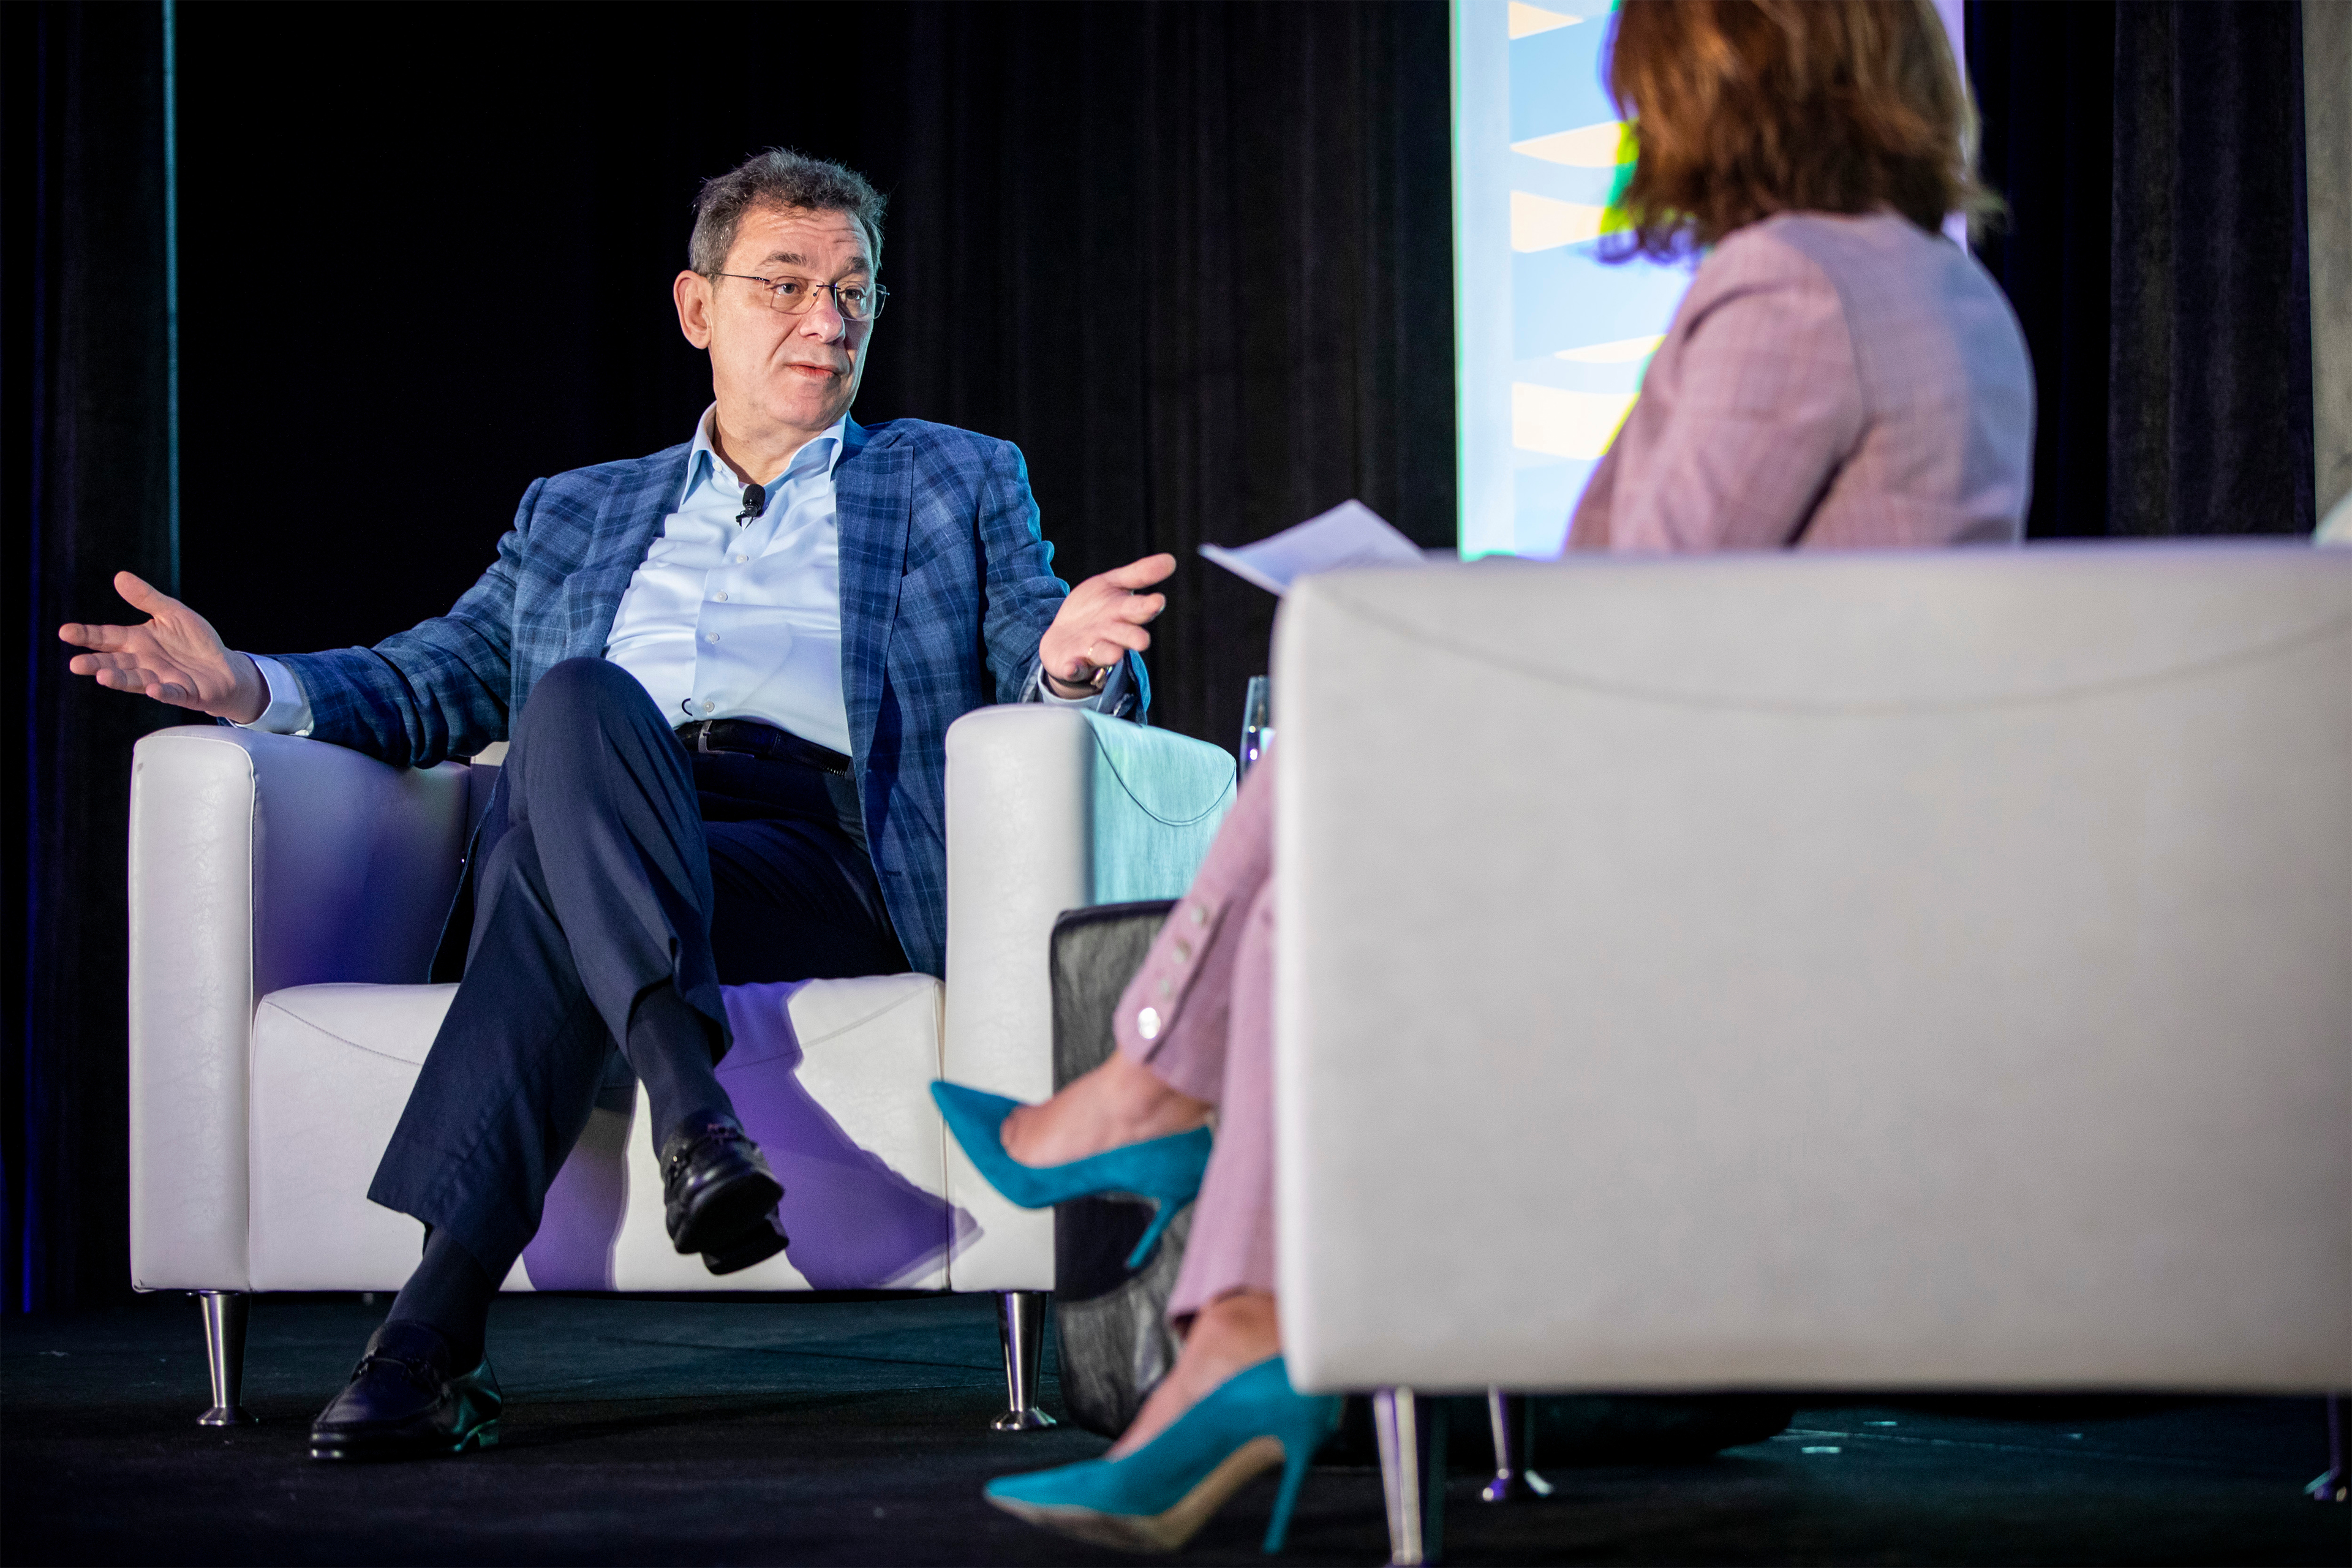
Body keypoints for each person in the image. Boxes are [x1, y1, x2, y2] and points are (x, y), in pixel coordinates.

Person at [933, 0, 2035, 1552]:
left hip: (1724, 868)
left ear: (1746, 86)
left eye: (1654, 96)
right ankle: (1220, 1283)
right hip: (1795, 827)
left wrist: (1438, 607)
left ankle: (1158, 1098)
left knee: (1353, 686)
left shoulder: (1794, 287)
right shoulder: (1938, 285)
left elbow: (1630, 625)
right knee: (1352, 748)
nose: (1645, 138)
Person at [59, 147, 1177, 1461]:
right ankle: (689, 1118)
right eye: (786, 284)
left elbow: (1024, 648)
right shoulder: (579, 511)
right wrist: (251, 681)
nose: (827, 319)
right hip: (608, 800)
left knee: (550, 845)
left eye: (854, 291)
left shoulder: (953, 478)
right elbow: (441, 674)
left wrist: (1071, 663)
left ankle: (435, 1327)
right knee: (581, 707)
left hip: (812, 851)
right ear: (698, 309)